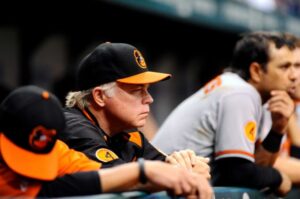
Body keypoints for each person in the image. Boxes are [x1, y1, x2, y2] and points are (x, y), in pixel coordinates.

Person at [0, 85, 213, 198]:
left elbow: (104, 177)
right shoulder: (77, 126)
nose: (149, 99)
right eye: (135, 90)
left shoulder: (60, 153)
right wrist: (150, 172)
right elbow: (57, 189)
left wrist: (179, 171)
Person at [152, 32, 298, 195]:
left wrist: (277, 131)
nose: (293, 76)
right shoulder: (240, 93)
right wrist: (277, 177)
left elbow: (253, 166)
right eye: (285, 67)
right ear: (256, 70)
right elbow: (237, 174)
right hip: (161, 189)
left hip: (177, 187)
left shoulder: (244, 91)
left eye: (295, 67)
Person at [58, 42, 210, 178]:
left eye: (147, 90)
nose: (149, 99)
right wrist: (178, 173)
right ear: (100, 96)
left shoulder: (130, 135)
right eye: (137, 91)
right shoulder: (72, 126)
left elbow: (176, 168)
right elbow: (121, 178)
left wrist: (186, 163)